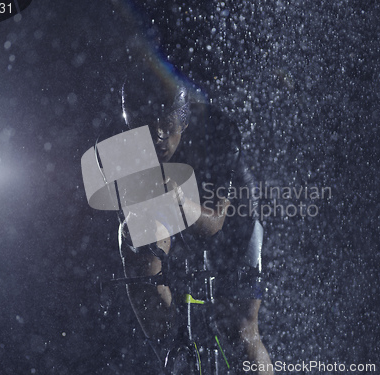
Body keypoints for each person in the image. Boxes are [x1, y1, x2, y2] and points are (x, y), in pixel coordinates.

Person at [117, 62, 273, 374]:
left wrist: (178, 201)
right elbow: (132, 224)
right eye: (146, 129)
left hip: (232, 217)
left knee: (242, 329)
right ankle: (170, 343)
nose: (158, 139)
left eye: (166, 127)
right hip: (175, 210)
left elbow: (215, 225)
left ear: (183, 121)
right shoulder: (127, 144)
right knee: (132, 232)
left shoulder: (218, 131)